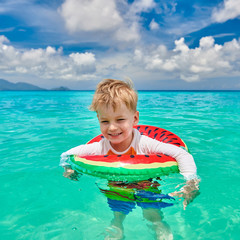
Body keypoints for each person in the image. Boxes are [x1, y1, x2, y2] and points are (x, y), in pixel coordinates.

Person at [60, 79, 200, 240]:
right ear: (98, 119)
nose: (112, 127)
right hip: (117, 187)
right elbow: (67, 154)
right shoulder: (100, 147)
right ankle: (116, 229)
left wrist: (191, 183)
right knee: (118, 214)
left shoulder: (145, 143)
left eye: (120, 120)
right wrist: (68, 168)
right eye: (105, 121)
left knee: (153, 216)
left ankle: (161, 232)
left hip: (147, 184)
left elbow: (182, 154)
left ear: (134, 119)